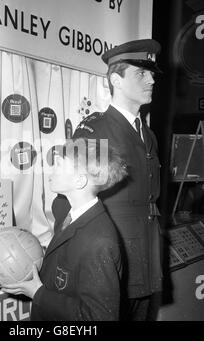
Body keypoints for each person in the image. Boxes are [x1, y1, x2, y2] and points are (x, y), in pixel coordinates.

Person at [54, 39, 163, 321]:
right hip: (108, 263)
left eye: (151, 73)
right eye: (141, 73)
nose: (152, 79)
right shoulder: (96, 129)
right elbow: (65, 202)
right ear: (116, 80)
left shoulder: (147, 134)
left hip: (144, 261)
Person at [1, 138, 128, 321]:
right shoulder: (71, 217)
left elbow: (98, 317)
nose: (51, 169)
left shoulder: (98, 241)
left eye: (59, 164)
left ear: (79, 181)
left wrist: (38, 293)